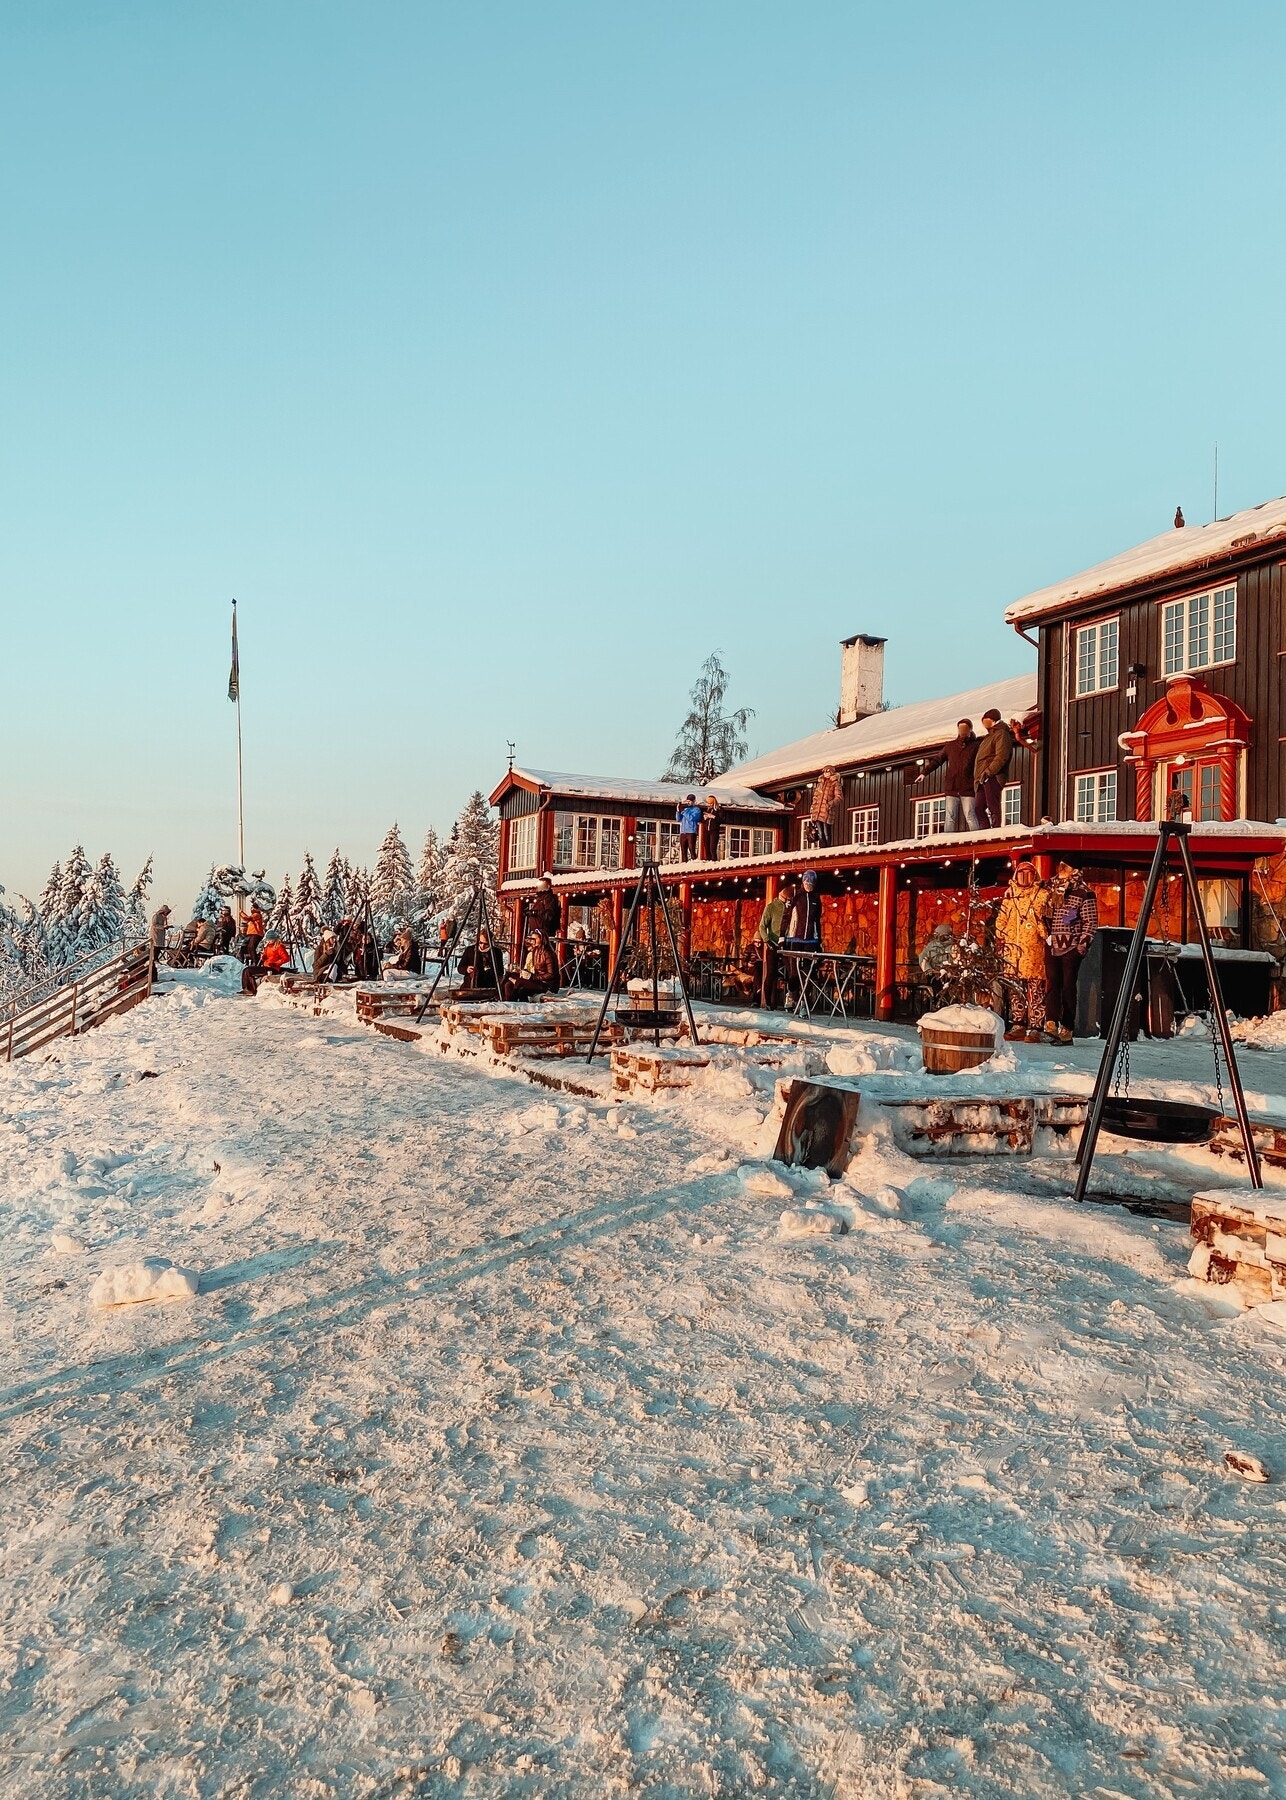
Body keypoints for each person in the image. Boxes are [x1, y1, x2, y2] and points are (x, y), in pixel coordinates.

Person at [1042, 864, 1098, 1044]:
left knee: (1068, 986)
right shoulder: (1051, 889)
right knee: (1052, 983)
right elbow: (1043, 915)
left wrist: (1082, 944)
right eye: (1060, 867)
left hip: (1071, 946)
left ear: (1074, 871)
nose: (1061, 871)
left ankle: (1067, 1028)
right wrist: (1045, 932)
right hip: (1052, 943)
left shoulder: (1084, 893)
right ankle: (1050, 1023)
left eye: (1065, 868)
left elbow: (1090, 922)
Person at [995, 860, 1050, 1041]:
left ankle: (1036, 1027)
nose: (1024, 877)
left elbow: (1048, 921)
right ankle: (1018, 1023)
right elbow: (1001, 920)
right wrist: (1001, 937)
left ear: (1034, 876)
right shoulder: (1010, 896)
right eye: (1021, 873)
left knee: (1036, 991)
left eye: (1028, 873)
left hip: (1034, 951)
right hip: (1013, 951)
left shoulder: (1043, 895)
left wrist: (1040, 926)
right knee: (1015, 990)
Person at [915, 721, 979, 832]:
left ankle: (977, 840)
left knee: (970, 815)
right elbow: (937, 760)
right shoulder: (950, 746)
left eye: (965, 728)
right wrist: (924, 773)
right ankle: (947, 840)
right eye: (960, 728)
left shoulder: (976, 746)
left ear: (970, 729)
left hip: (968, 787)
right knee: (949, 817)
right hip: (952, 787)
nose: (962, 730)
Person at [757, 877, 796, 1009]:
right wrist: (767, 940)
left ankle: (791, 999)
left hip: (787, 943)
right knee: (771, 974)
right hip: (773, 943)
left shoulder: (791, 908)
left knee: (792, 972)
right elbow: (762, 926)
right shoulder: (771, 907)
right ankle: (768, 1002)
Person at [974, 709, 1015, 830]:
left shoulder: (1001, 734)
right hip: (981, 777)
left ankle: (996, 829)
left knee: (993, 805)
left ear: (993, 720)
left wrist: (989, 771)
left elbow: (1002, 755)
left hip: (992, 776)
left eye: (986, 721)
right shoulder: (988, 737)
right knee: (978, 807)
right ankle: (984, 830)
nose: (984, 724)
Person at [502, 927, 559, 1001]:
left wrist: (532, 977)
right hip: (537, 981)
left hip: (547, 984)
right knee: (509, 984)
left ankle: (512, 1003)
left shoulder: (548, 953)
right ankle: (506, 1001)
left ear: (542, 940)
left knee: (519, 982)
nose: (533, 941)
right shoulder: (535, 952)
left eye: (535, 939)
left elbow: (551, 975)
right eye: (532, 939)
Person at [807, 767, 841, 849]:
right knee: (820, 832)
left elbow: (839, 797)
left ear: (832, 772)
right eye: (824, 772)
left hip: (827, 811)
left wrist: (829, 804)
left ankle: (828, 848)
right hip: (817, 811)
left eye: (828, 771)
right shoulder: (820, 784)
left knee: (826, 831)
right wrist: (812, 808)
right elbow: (815, 797)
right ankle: (822, 848)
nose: (826, 773)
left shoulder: (835, 783)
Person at [918, 921, 957, 993]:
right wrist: (928, 969)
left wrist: (950, 968)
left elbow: (956, 959)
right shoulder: (932, 945)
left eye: (938, 935)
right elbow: (922, 956)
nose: (936, 937)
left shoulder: (953, 946)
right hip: (933, 974)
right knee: (935, 993)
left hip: (948, 975)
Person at [529, 878, 561, 944]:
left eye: (542, 884)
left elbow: (549, 914)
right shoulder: (539, 899)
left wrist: (536, 913)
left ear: (548, 886)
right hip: (536, 931)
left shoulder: (549, 898)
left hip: (543, 932)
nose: (539, 886)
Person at [676, 794, 703, 862]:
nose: (688, 802)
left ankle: (694, 862)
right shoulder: (685, 809)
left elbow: (691, 818)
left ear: (694, 801)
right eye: (687, 801)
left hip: (691, 832)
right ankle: (684, 863)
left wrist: (683, 811)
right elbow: (678, 819)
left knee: (691, 849)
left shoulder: (697, 810)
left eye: (690, 801)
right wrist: (678, 811)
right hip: (683, 832)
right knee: (683, 850)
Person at [700, 795, 722, 859]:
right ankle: (708, 861)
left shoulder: (719, 810)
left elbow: (722, 820)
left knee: (712, 848)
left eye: (711, 803)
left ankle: (714, 861)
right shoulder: (707, 810)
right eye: (708, 804)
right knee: (707, 848)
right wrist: (704, 818)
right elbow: (702, 821)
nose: (709, 805)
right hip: (707, 831)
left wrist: (713, 817)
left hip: (714, 831)